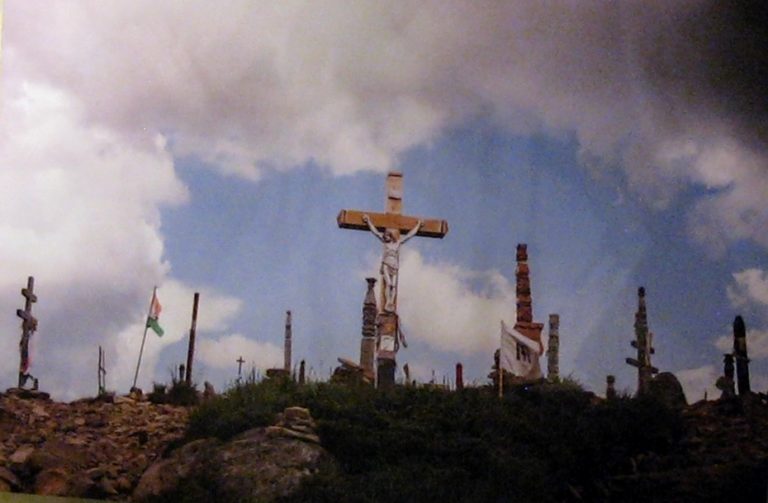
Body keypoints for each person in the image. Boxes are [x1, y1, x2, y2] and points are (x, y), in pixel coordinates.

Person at [363, 214, 423, 312]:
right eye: (384, 236)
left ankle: (391, 302)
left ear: (390, 236)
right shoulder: (385, 243)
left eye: (386, 236)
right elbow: (375, 232)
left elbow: (409, 235)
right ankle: (387, 302)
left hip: (394, 265)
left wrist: (418, 225)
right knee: (389, 284)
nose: (385, 237)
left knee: (393, 285)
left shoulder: (397, 243)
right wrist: (368, 221)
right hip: (386, 264)